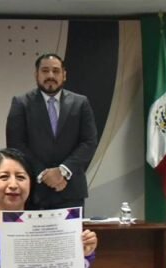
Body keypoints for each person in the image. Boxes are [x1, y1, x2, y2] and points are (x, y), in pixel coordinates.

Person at [6, 53, 98, 211]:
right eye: (45, 71)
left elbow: (89, 141)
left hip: (70, 190)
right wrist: (42, 173)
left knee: (70, 230)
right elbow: (16, 144)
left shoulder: (80, 103)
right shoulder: (21, 103)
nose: (50, 75)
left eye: (56, 71)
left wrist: (63, 170)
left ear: (64, 75)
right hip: (34, 191)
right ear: (36, 74)